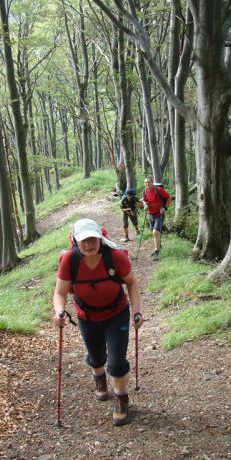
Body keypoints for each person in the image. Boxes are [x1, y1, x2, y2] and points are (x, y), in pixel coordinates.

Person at [52, 218, 143, 426]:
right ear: (75, 241)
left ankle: (121, 398)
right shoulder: (69, 261)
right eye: (83, 241)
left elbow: (132, 283)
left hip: (116, 313)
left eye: (93, 239)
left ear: (100, 238)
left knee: (117, 361)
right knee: (96, 356)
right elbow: (59, 293)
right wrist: (59, 312)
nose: (88, 244)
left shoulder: (115, 257)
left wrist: (136, 312)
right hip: (87, 317)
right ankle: (99, 378)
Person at [142, 177, 171, 260]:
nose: (147, 184)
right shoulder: (145, 191)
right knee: (154, 232)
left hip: (159, 214)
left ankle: (157, 252)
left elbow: (169, 197)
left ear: (152, 182)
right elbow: (144, 200)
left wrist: (165, 208)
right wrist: (145, 204)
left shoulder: (158, 190)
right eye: (146, 183)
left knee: (155, 232)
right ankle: (159, 247)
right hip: (150, 214)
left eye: (149, 182)